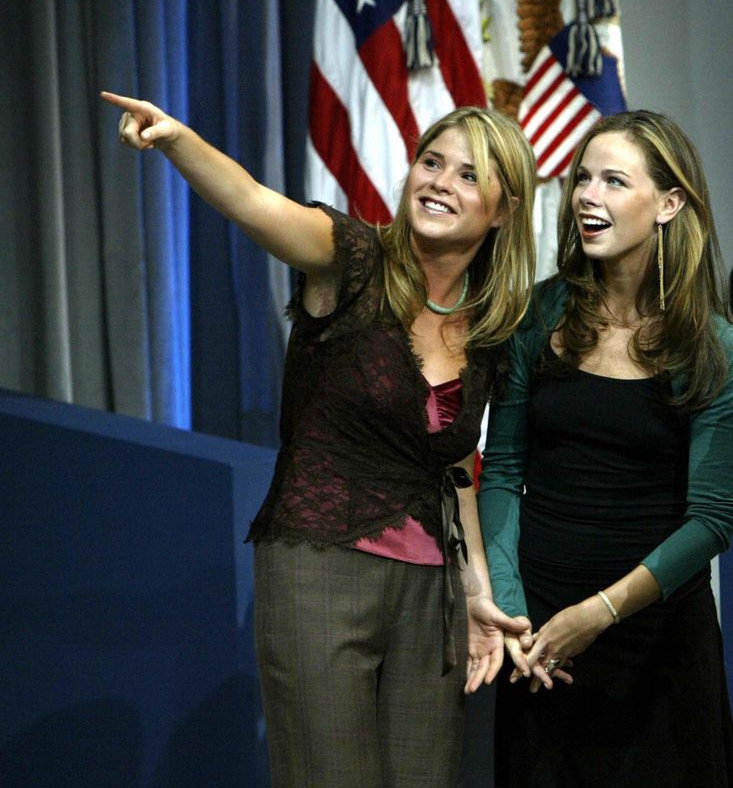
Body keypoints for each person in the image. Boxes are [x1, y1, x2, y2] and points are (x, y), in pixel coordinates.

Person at [104, 91, 538, 788]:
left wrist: (476, 591)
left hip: (431, 593)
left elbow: (452, 465)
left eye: (467, 175)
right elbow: (250, 201)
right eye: (431, 162)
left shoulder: (489, 324)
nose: (438, 182)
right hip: (321, 566)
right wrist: (176, 138)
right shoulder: (352, 259)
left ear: (505, 208)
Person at [479, 109, 733, 786]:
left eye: (613, 181)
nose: (587, 195)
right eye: (582, 178)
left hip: (655, 646)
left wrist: (598, 614)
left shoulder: (711, 346)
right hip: (537, 644)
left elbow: (712, 519)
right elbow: (500, 470)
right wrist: (513, 613)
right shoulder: (536, 315)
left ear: (668, 203)